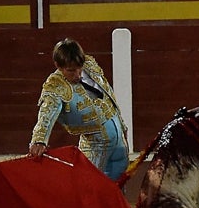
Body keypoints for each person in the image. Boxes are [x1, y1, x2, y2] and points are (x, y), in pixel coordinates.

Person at [28, 38, 128, 182]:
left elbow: (107, 94)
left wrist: (122, 124)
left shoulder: (89, 64)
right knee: (89, 187)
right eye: (71, 70)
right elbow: (46, 114)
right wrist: (39, 140)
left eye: (79, 68)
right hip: (95, 145)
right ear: (58, 66)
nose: (78, 74)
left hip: (119, 141)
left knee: (118, 186)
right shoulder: (55, 85)